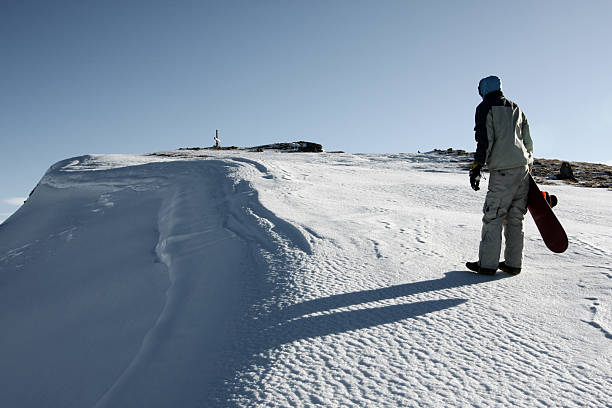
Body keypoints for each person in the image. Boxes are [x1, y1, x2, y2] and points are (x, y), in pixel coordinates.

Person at [466, 75, 534, 275]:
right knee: (515, 217)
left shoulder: (485, 107)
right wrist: (528, 163)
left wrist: (477, 166)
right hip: (522, 169)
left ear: (484, 89)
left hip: (503, 171)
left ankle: (487, 265)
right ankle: (513, 264)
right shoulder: (516, 108)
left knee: (493, 216)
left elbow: (484, 140)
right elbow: (528, 140)